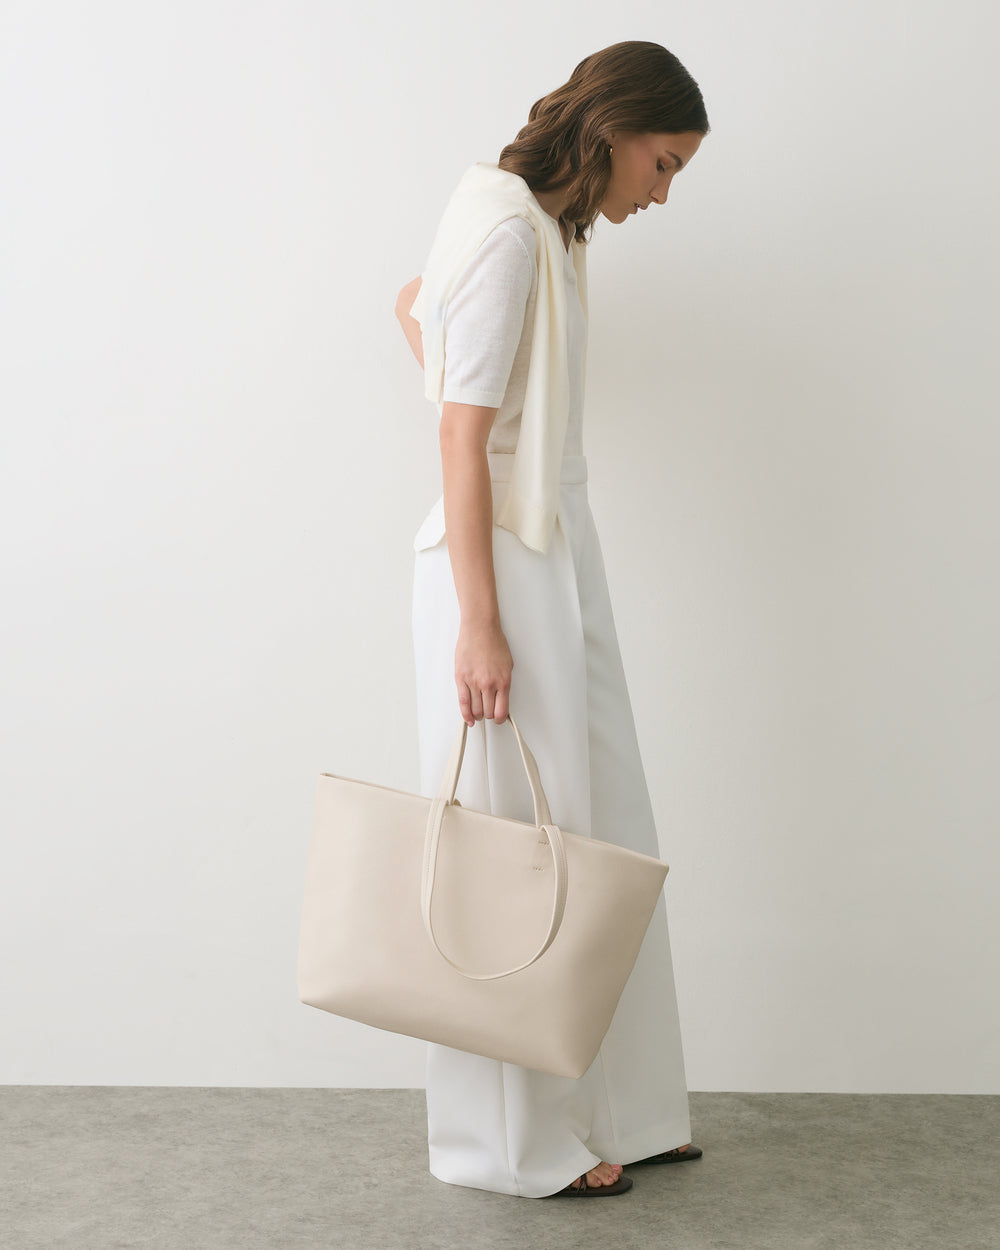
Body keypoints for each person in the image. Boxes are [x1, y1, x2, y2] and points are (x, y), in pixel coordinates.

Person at [395, 40, 709, 1199]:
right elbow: (459, 438)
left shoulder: (545, 225)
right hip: (500, 565)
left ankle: (625, 1102)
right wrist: (481, 624)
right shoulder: (501, 230)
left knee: (603, 825)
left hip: (552, 542)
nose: (662, 193)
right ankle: (511, 1142)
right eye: (663, 163)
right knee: (511, 847)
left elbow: (408, 309)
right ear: (617, 127)